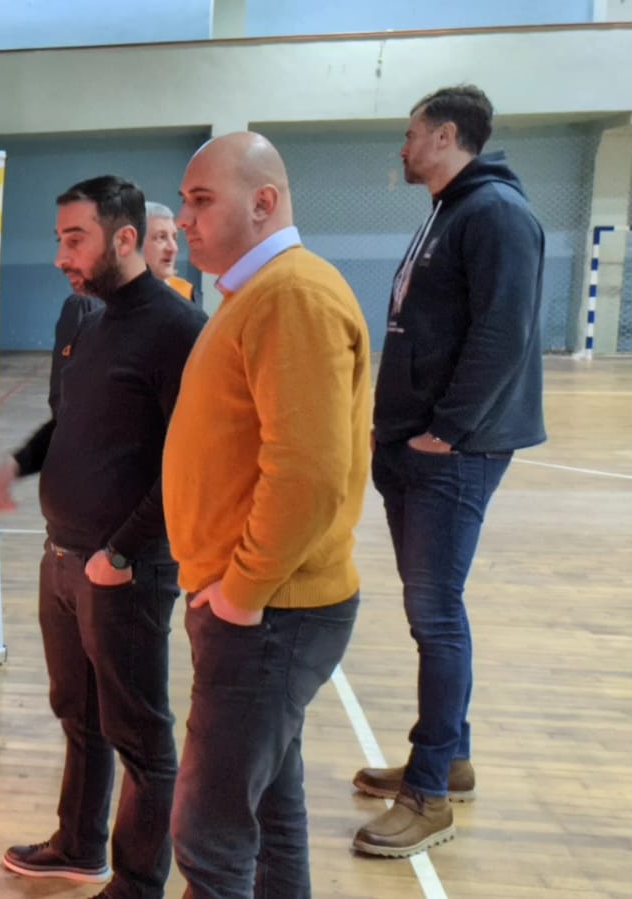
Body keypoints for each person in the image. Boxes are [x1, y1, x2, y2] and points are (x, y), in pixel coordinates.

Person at [161, 132, 371, 897]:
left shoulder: (291, 296)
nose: (184, 219)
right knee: (268, 812)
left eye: (200, 200)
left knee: (208, 832)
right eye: (184, 201)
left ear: (263, 202)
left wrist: (243, 589)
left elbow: (309, 472)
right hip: (254, 605)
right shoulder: (258, 293)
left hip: (268, 609)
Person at [0, 176, 206, 897]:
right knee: (78, 716)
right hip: (62, 557)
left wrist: (120, 552)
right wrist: (19, 463)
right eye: (59, 239)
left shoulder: (178, 330)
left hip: (125, 570)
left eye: (74, 239)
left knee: (141, 739)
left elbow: (188, 462)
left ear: (123, 238)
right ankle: (79, 846)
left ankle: (137, 882)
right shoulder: (87, 321)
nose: (60, 256)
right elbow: (72, 422)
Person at [351, 84, 547, 858]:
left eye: (410, 134)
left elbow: (504, 332)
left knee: (435, 617)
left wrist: (448, 430)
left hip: (453, 452)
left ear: (444, 136)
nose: (402, 147)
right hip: (413, 444)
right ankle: (448, 756)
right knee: (427, 612)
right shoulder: (449, 210)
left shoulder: (494, 213)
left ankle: (428, 794)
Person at [143, 201, 197, 303]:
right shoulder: (113, 299)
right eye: (161, 237)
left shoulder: (185, 293)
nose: (173, 248)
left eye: (174, 237)